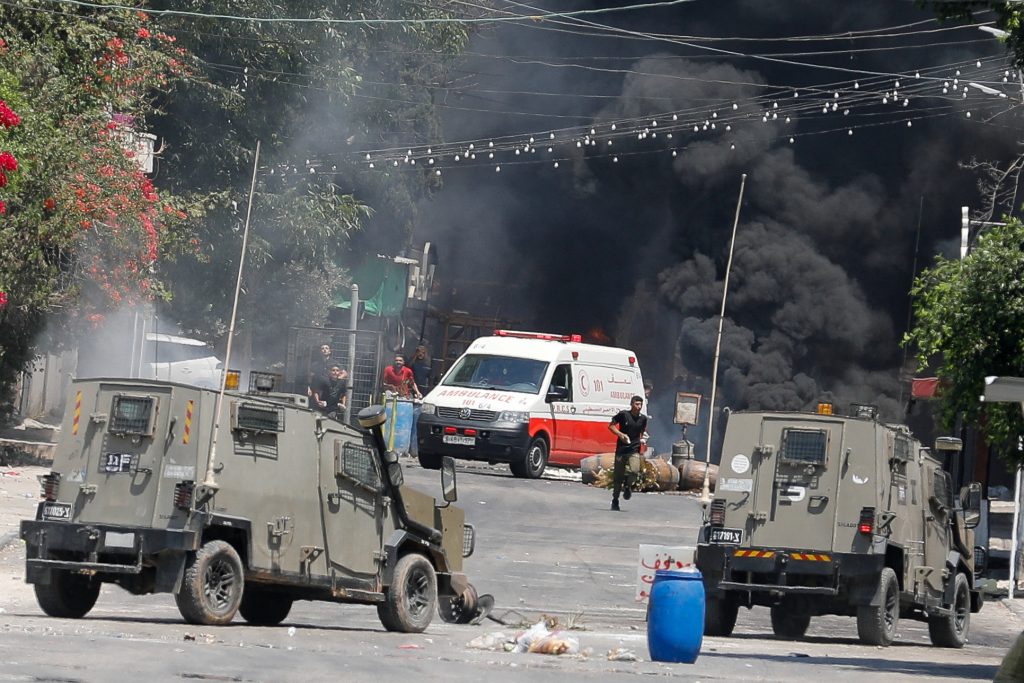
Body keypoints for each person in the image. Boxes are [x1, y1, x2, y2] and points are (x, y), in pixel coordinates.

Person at [607, 395, 648, 511]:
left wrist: (643, 439)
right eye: (636, 404)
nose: (639, 407)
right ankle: (615, 500)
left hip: (634, 449)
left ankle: (627, 485)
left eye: (640, 404)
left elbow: (642, 432)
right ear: (631, 404)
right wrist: (620, 435)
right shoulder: (624, 415)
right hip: (621, 449)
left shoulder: (643, 419)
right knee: (618, 477)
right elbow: (611, 426)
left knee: (635, 470)